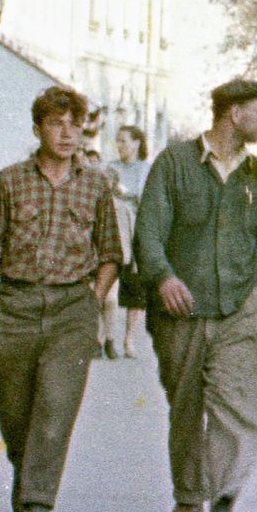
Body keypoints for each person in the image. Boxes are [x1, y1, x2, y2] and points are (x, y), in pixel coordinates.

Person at [135, 79, 257, 512]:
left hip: (241, 308)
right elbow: (148, 232)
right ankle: (187, 496)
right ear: (234, 115)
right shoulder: (175, 164)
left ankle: (222, 509)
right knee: (186, 404)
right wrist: (162, 278)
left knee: (236, 408)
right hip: (182, 308)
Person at [0, 87, 122, 512]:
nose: (67, 133)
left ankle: (38, 506)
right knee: (14, 409)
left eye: (75, 125)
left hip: (71, 310)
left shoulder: (97, 184)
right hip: (15, 306)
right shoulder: (9, 181)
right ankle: (26, 465)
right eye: (57, 124)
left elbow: (111, 253)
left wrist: (92, 301)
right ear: (37, 129)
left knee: (56, 406)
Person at [104, 125, 151, 361]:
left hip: (137, 235)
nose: (119, 145)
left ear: (136, 143)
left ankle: (129, 339)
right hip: (113, 233)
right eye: (118, 141)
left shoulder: (146, 169)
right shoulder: (111, 167)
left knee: (137, 291)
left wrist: (126, 192)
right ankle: (105, 336)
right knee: (107, 286)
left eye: (123, 141)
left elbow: (150, 201)